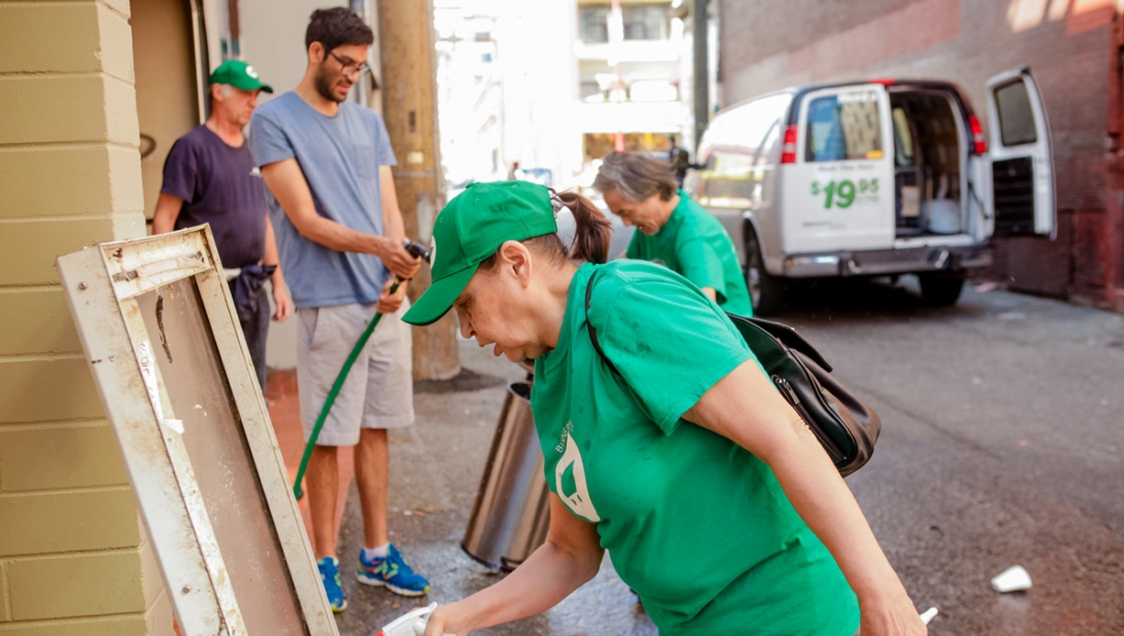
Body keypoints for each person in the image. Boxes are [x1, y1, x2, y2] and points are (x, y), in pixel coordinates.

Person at [401, 181, 926, 636]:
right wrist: (458, 618)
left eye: (466, 304)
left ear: (516, 263)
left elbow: (786, 436)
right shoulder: (547, 378)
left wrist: (883, 597)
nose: (467, 330)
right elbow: (570, 552)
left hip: (786, 613)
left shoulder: (628, 303)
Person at [248, 7, 428, 611]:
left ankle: (376, 553)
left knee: (376, 430)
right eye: (345, 64)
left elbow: (390, 210)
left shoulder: (368, 124)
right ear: (316, 52)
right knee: (329, 439)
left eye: (361, 66)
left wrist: (399, 272)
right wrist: (380, 248)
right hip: (328, 306)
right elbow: (304, 219)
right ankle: (323, 559)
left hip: (383, 304)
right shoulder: (274, 121)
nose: (353, 75)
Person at [153, 59, 292, 392]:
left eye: (256, 95)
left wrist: (278, 283)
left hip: (251, 285)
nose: (252, 102)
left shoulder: (252, 151)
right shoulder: (192, 148)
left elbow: (263, 221)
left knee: (253, 384)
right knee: (214, 386)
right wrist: (172, 286)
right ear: (218, 92)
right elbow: (164, 218)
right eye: (245, 94)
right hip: (207, 287)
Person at [594, 150, 754, 317]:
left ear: (651, 192)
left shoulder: (694, 235)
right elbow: (623, 264)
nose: (626, 223)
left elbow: (705, 313)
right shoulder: (651, 224)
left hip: (725, 333)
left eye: (626, 213)